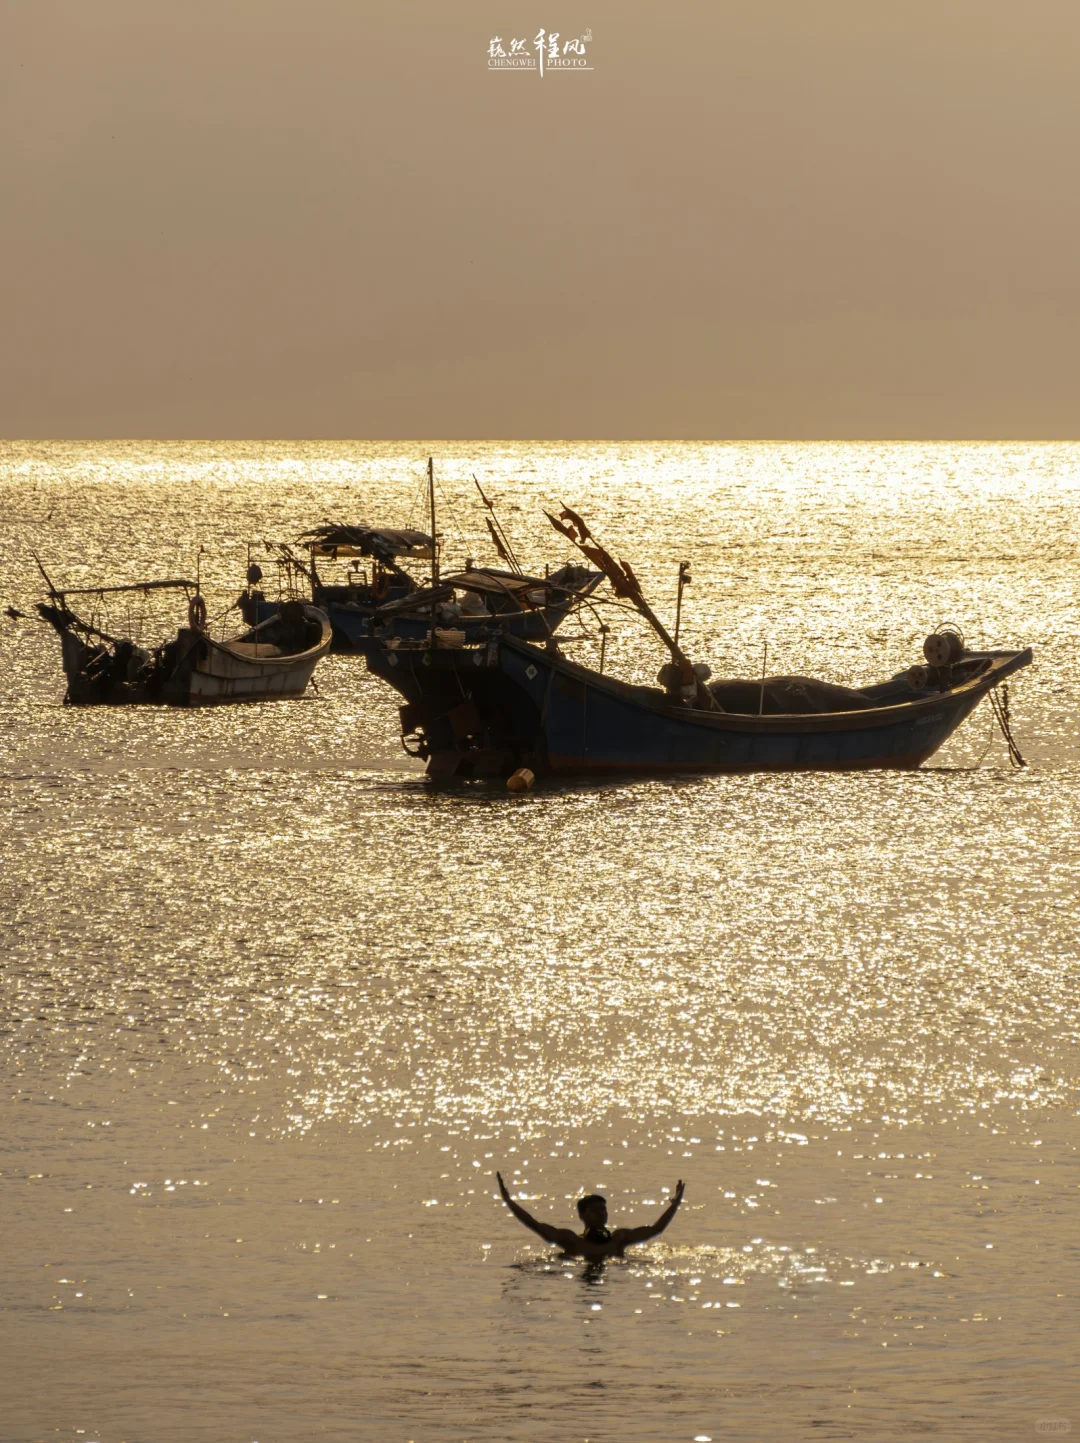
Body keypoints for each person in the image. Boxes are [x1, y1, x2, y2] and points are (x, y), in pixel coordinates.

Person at [496, 1172, 686, 1260]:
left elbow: (656, 1229)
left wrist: (675, 1204)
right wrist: (509, 1201)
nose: (602, 1214)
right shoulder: (571, 1241)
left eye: (604, 1210)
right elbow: (535, 1225)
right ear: (582, 1216)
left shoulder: (619, 1239)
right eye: (596, 1210)